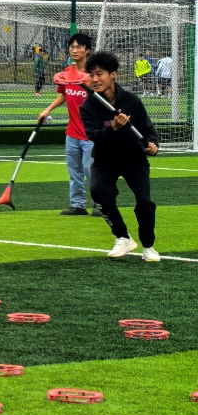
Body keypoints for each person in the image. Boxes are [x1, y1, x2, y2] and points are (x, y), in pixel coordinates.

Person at [81, 51, 160, 261]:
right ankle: (122, 237)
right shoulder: (88, 106)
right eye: (91, 75)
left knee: (145, 202)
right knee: (98, 192)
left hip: (134, 159)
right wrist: (113, 128)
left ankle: (148, 246)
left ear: (113, 74)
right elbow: (94, 135)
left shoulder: (132, 100)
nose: (94, 79)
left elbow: (149, 131)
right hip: (105, 160)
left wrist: (153, 145)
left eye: (99, 74)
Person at [36, 33, 94, 215]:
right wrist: (48, 110)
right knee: (74, 170)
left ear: (87, 50)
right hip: (72, 132)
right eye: (72, 47)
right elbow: (63, 94)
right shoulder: (67, 73)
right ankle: (78, 205)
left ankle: (101, 204)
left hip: (92, 133)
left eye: (79, 47)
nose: (74, 50)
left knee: (91, 169)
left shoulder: (95, 73)